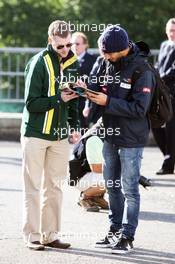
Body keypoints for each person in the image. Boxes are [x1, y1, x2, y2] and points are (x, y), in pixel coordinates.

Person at [79, 25, 156, 254]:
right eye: (102, 52)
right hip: (109, 133)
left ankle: (128, 235)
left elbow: (140, 108)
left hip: (132, 137)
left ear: (123, 49)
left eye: (108, 53)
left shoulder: (142, 69)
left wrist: (107, 102)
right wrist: (83, 89)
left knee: (130, 188)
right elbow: (94, 85)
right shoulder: (104, 61)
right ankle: (113, 230)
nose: (104, 57)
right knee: (112, 186)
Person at [21, 20, 80, 250]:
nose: (65, 50)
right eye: (60, 47)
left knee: (54, 186)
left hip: (59, 136)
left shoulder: (73, 61)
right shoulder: (38, 63)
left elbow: (73, 99)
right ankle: (32, 236)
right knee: (33, 187)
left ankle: (51, 235)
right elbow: (30, 103)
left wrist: (74, 126)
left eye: (68, 45)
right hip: (35, 133)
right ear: (50, 41)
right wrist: (59, 98)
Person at [69, 119, 109, 212]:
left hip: (88, 175)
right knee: (115, 178)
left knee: (119, 176)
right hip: (80, 178)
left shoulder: (104, 134)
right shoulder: (94, 138)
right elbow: (96, 168)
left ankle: (96, 198)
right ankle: (85, 197)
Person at [152, 18, 175, 175]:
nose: (172, 33)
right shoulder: (164, 45)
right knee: (155, 125)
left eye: (174, 30)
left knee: (171, 130)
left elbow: (173, 71)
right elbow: (159, 65)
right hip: (161, 93)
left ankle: (169, 164)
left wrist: (158, 79)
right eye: (170, 30)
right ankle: (168, 157)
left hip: (173, 93)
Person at [72, 32, 97, 131]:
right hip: (70, 100)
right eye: (72, 44)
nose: (74, 46)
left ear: (85, 45)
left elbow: (95, 82)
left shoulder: (94, 60)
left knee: (84, 132)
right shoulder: (66, 60)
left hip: (86, 100)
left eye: (77, 44)